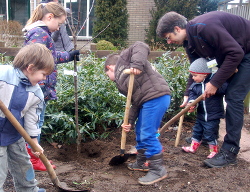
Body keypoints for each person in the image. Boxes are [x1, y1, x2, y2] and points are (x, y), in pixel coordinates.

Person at [156, 11, 250, 168]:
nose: (169, 42)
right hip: (233, 53)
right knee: (218, 90)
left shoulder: (205, 28)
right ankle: (208, 136)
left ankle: (230, 151)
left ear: (177, 29)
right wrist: (188, 94)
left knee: (233, 97)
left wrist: (214, 83)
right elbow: (196, 70)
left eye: (168, 37)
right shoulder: (190, 42)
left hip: (246, 52)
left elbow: (236, 52)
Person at [22, 2, 80, 171]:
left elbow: (49, 56)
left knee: (35, 123)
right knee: (35, 125)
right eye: (59, 23)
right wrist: (39, 87)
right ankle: (32, 159)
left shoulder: (41, 33)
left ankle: (32, 157)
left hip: (41, 88)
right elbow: (35, 62)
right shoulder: (40, 34)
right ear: (49, 17)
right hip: (38, 89)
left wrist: (68, 56)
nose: (58, 28)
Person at [105, 41, 171, 185]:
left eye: (107, 74)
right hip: (146, 101)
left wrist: (136, 65)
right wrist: (129, 121)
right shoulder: (122, 82)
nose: (109, 78)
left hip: (156, 97)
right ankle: (140, 162)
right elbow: (134, 102)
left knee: (148, 133)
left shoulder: (124, 59)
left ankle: (157, 169)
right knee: (140, 131)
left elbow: (141, 45)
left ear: (109, 67)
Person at [0, 43, 54, 192]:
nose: (44, 79)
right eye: (43, 74)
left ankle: (29, 189)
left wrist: (34, 142)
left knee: (23, 164)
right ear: (30, 68)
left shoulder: (36, 93)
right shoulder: (3, 75)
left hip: (15, 134)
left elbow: (32, 120)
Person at [181, 58, 227, 159]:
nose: (193, 78)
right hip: (201, 115)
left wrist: (215, 88)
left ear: (204, 74)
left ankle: (214, 151)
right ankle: (193, 147)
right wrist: (192, 103)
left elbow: (223, 89)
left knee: (210, 133)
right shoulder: (195, 85)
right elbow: (192, 95)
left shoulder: (214, 83)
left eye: (195, 75)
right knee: (197, 131)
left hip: (213, 115)